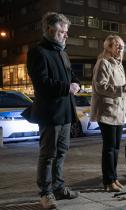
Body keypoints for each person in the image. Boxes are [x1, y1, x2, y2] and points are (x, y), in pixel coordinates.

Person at [22, 12, 80, 209]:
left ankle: (58, 187)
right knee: (48, 154)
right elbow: (42, 83)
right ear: (49, 29)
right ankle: (45, 193)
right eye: (62, 31)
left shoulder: (61, 51)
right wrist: (67, 88)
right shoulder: (38, 52)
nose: (66, 35)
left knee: (61, 152)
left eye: (66, 32)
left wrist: (76, 83)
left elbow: (71, 74)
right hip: (50, 112)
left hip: (65, 111)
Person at [90, 35, 126, 192]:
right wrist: (122, 89)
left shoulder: (119, 64)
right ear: (108, 47)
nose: (121, 48)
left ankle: (114, 178)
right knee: (109, 148)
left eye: (122, 45)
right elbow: (99, 86)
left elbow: (121, 88)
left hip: (119, 111)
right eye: (117, 46)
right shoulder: (103, 62)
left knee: (115, 147)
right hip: (107, 111)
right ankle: (108, 181)